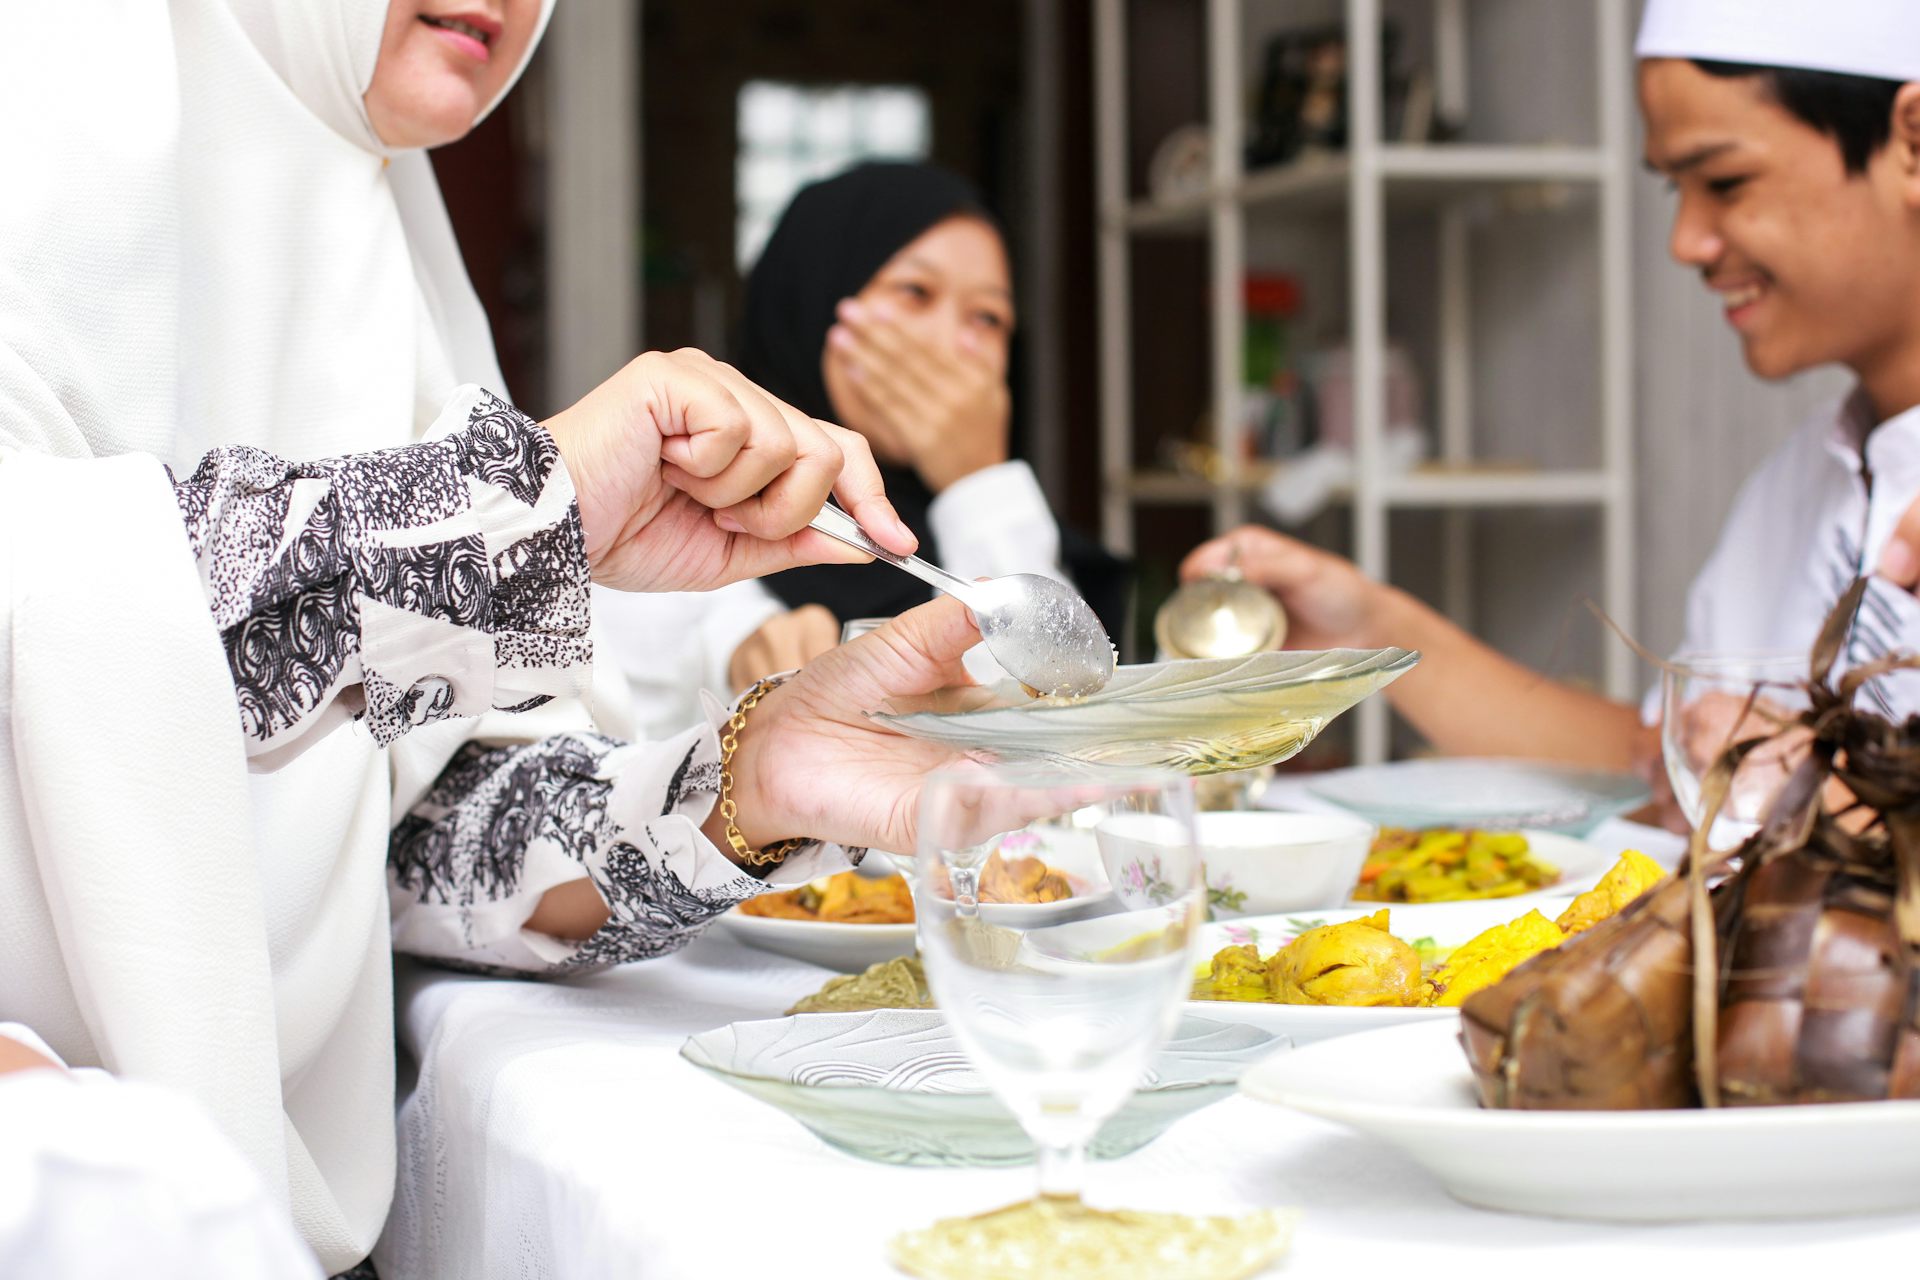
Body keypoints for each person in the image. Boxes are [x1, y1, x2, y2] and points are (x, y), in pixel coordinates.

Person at [0, 5, 977, 1274]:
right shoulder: (42, 105)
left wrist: (746, 780)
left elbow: (404, 842)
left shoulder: (381, 238)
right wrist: (513, 509)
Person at [1182, 0, 1920, 793]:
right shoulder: (1803, 480)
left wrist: (1842, 791)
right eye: (1676, 189)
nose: (1687, 243)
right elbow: (1658, 765)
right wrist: (1368, 634)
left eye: (1726, 181)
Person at [597, 162, 1126, 737]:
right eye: (915, 292)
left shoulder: (1007, 520)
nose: (953, 346)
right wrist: (734, 652)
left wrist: (978, 479)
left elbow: (1058, 720)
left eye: (988, 318)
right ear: (817, 295)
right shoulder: (671, 495)